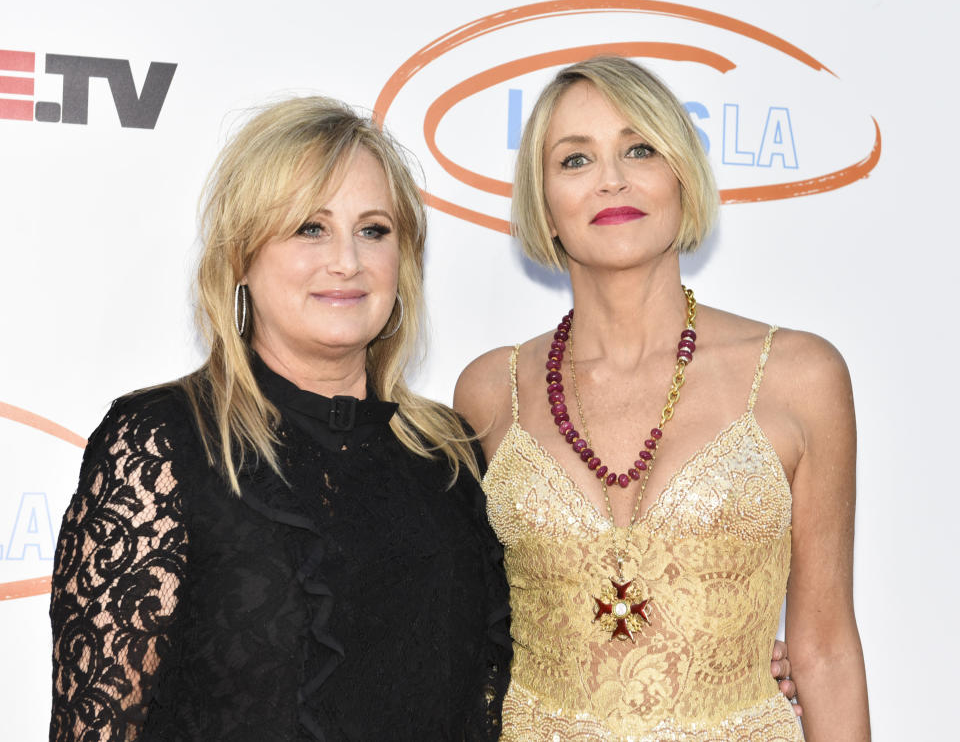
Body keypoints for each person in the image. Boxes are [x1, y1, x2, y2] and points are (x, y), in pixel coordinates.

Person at [48, 97, 511, 741]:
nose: (347, 260)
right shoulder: (162, 442)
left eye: (373, 229)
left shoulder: (448, 458)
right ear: (241, 256)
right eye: (309, 228)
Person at [455, 57, 869, 740]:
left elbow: (825, 649)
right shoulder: (489, 392)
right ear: (543, 203)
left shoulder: (799, 375)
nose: (612, 179)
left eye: (640, 148)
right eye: (576, 159)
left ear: (682, 175)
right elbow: (465, 637)